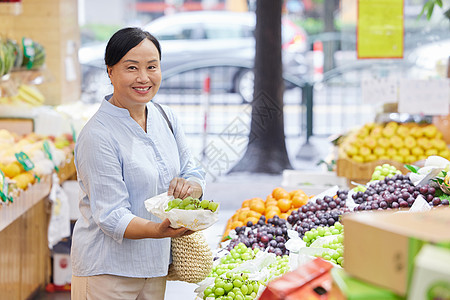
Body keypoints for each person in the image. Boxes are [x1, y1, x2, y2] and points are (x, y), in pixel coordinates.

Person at [71, 27, 206, 300]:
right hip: (107, 273)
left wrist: (190, 188)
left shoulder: (165, 117)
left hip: (155, 268)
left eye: (152, 67)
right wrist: (159, 230)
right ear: (110, 71)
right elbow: (111, 216)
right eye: (131, 67)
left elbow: (193, 172)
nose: (144, 78)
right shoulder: (97, 135)